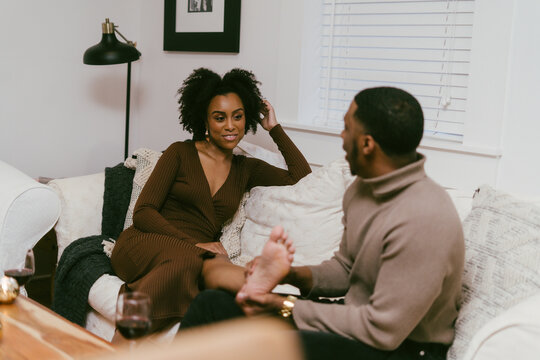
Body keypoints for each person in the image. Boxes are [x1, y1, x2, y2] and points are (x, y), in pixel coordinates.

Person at [180, 87, 465, 360]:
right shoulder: (362, 190)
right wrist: (288, 275)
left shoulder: (426, 217)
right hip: (355, 321)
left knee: (265, 344)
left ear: (367, 144)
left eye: (346, 128)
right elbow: (346, 268)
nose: (341, 137)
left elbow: (382, 330)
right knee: (212, 305)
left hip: (404, 349)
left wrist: (283, 305)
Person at [110, 68, 311, 332]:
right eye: (220, 118)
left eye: (238, 117)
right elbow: (144, 212)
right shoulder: (179, 153)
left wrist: (274, 128)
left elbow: (301, 177)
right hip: (146, 242)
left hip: (200, 254)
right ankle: (123, 340)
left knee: (212, 264)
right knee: (194, 259)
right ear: (205, 120)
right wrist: (194, 243)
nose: (230, 126)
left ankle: (289, 306)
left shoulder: (246, 169)